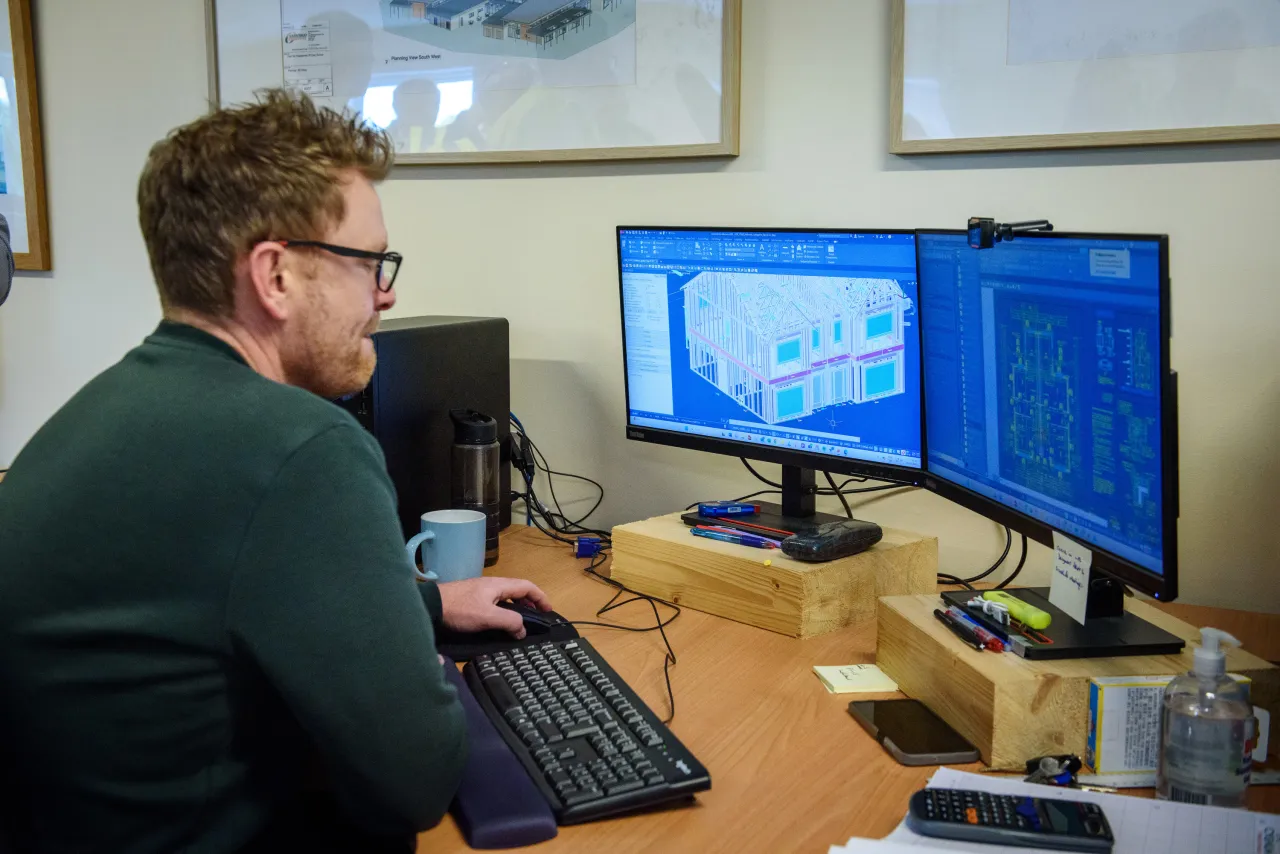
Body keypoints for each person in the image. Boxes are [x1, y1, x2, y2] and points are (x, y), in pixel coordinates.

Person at [0, 89, 551, 853]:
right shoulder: (300, 448)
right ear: (276, 275)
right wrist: (426, 679)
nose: (386, 293)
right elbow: (417, 782)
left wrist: (416, 606)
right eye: (370, 263)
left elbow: (200, 608)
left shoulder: (107, 409)